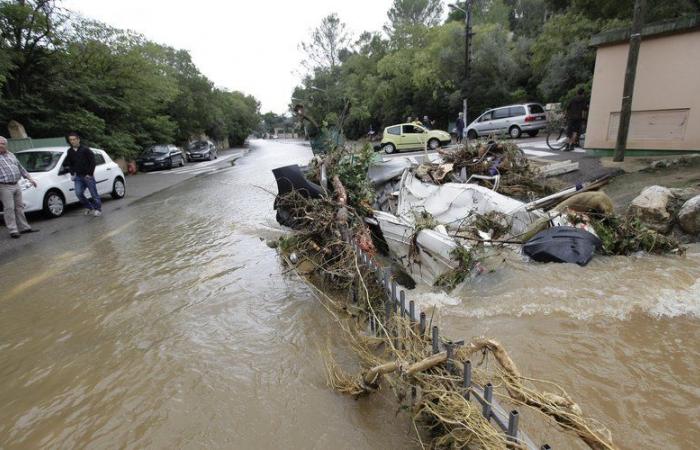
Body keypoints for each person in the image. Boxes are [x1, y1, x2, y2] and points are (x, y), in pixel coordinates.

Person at [0, 136, 38, 238]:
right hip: (4, 186)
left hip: (16, 184)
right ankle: (13, 230)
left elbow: (20, 168)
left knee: (19, 207)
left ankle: (25, 227)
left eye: (3, 143)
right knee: (9, 208)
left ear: (6, 145)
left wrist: (30, 179)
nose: (1, 145)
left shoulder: (11, 155)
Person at [64, 132, 102, 216]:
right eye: (71, 140)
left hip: (88, 176)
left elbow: (93, 162)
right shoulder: (69, 151)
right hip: (78, 177)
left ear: (78, 140)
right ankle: (89, 207)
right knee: (78, 193)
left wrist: (90, 174)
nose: (73, 141)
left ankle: (98, 209)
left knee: (93, 194)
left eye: (74, 139)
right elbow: (69, 163)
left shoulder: (85, 150)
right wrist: (72, 173)